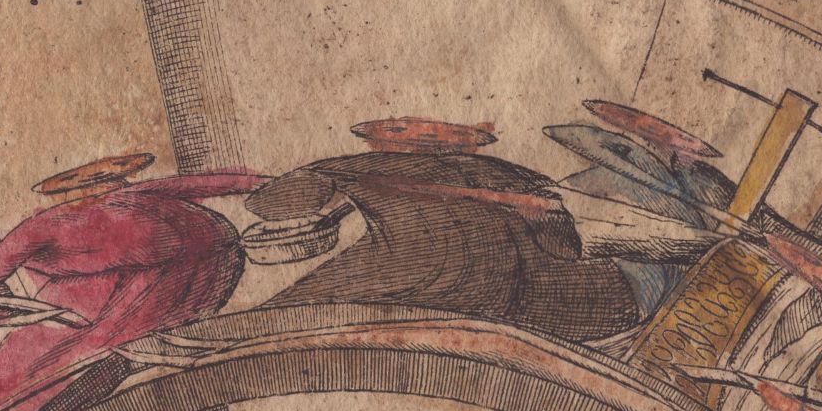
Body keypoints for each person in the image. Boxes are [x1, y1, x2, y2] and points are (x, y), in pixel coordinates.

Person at [0, 151, 266, 411]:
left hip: (143, 311)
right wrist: (28, 314)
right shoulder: (63, 221)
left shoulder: (98, 210)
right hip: (177, 297)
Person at [240, 118, 643, 343]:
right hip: (560, 316)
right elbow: (565, 245)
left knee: (276, 320)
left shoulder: (346, 169)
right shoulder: (520, 177)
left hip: (453, 301)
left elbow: (266, 204)